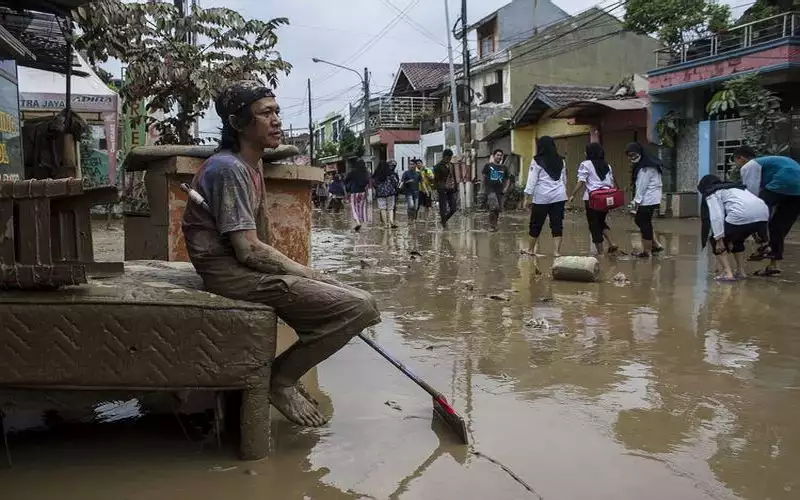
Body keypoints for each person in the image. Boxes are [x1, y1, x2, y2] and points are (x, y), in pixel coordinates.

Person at [181, 81, 380, 427]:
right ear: (238, 122)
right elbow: (248, 250)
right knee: (361, 306)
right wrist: (305, 274)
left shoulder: (250, 164)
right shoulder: (229, 169)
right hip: (228, 272)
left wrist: (305, 275)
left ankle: (290, 366)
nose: (276, 120)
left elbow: (261, 237)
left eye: (276, 112)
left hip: (240, 267)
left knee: (356, 300)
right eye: (265, 113)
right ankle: (280, 379)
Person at [733, 146, 800, 276]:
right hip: (798, 190)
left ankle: (764, 244)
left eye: (736, 162)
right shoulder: (767, 164)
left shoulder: (749, 165)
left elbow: (751, 195)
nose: (737, 166)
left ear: (740, 158)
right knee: (778, 226)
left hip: (783, 179)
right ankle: (773, 266)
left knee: (757, 210)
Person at [698, 174, 769, 281]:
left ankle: (727, 273)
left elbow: (717, 216)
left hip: (741, 215)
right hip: (763, 215)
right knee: (737, 239)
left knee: (715, 241)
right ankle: (741, 271)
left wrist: (718, 239)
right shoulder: (736, 187)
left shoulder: (712, 192)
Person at [569, 142, 619, 255]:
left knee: (594, 225)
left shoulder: (585, 164)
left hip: (592, 199)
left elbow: (581, 181)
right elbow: (611, 182)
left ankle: (600, 252)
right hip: (606, 198)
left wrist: (572, 194)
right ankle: (612, 242)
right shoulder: (607, 165)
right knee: (601, 222)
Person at [525, 137, 567, 256]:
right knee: (557, 223)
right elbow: (564, 179)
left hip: (542, 197)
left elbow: (531, 181)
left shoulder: (537, 160)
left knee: (535, 223)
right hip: (559, 196)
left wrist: (527, 197)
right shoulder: (561, 160)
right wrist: (565, 193)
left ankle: (530, 250)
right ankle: (556, 252)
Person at [627, 143, 665, 258]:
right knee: (641, 221)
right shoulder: (648, 164)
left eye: (633, 155)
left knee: (644, 223)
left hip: (647, 199)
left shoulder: (645, 168)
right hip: (650, 198)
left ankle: (647, 251)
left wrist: (635, 203)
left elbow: (642, 187)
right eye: (630, 156)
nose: (632, 158)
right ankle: (655, 245)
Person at [482, 149, 509, 232]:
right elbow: (483, 177)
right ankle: (491, 225)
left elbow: (507, 179)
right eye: (498, 155)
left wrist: (505, 188)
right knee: (494, 206)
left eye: (501, 155)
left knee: (498, 209)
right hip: (490, 189)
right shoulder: (488, 166)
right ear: (494, 156)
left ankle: (495, 224)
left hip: (500, 190)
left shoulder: (504, 167)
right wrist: (483, 189)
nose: (499, 157)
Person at [434, 149, 458, 228]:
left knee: (453, 208)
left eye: (450, 157)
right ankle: (444, 224)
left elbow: (454, 177)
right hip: (442, 189)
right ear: (444, 157)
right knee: (443, 208)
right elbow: (436, 179)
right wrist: (438, 189)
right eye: (448, 157)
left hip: (451, 189)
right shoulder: (438, 166)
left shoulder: (452, 165)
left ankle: (444, 220)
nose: (449, 159)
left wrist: (455, 187)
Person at [373, 161, 400, 229]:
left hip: (380, 194)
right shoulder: (391, 174)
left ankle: (385, 224)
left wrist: (378, 188)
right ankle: (391, 222)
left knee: (382, 209)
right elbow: (395, 182)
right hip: (390, 192)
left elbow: (374, 184)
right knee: (390, 208)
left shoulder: (376, 175)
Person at [345, 160, 369, 231]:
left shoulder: (353, 172)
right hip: (363, 192)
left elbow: (346, 180)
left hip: (354, 191)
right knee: (361, 207)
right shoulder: (365, 172)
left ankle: (358, 222)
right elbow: (367, 181)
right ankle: (362, 222)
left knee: (354, 208)